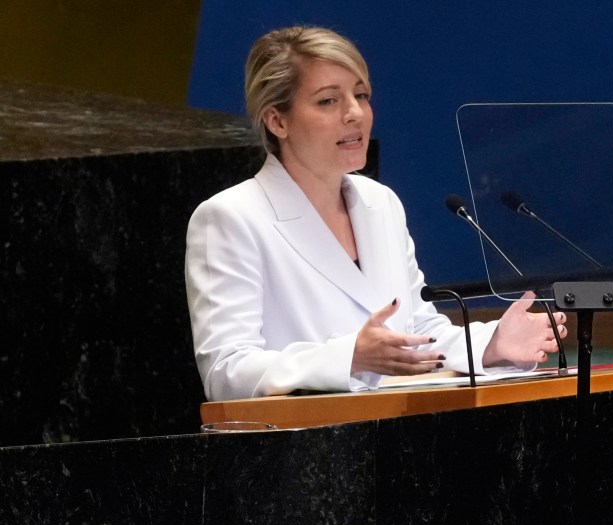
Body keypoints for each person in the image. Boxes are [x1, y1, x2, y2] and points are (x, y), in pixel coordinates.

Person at [185, 25, 567, 401]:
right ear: (277, 121)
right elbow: (225, 372)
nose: (355, 114)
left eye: (361, 95)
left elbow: (417, 331)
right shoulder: (230, 217)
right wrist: (349, 357)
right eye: (328, 101)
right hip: (300, 451)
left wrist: (491, 343)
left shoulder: (380, 203)